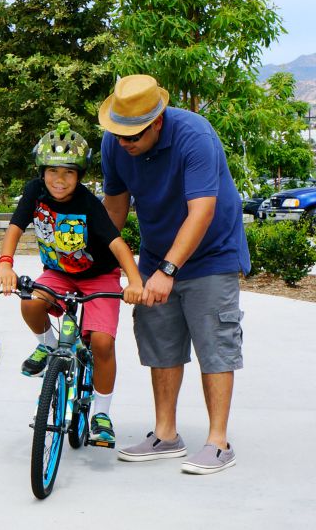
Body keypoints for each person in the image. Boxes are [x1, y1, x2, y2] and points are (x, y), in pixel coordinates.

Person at [97, 74, 248, 475]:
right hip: (154, 254)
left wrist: (168, 269)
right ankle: (166, 435)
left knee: (215, 343)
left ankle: (218, 442)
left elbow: (202, 211)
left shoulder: (194, 135)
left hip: (212, 254)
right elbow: (114, 207)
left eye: (133, 136)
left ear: (157, 122)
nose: (124, 143)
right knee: (159, 340)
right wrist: (104, 263)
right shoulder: (114, 143)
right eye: (119, 134)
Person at [0, 122, 144, 445]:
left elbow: (118, 245)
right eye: (52, 172)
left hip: (99, 276)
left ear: (79, 175)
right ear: (41, 172)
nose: (59, 181)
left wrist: (134, 281)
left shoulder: (88, 204)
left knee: (102, 343)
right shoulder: (35, 192)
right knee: (31, 300)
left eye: (68, 173)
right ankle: (49, 346)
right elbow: (15, 228)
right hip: (60, 273)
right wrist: (5, 265)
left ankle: (101, 413)